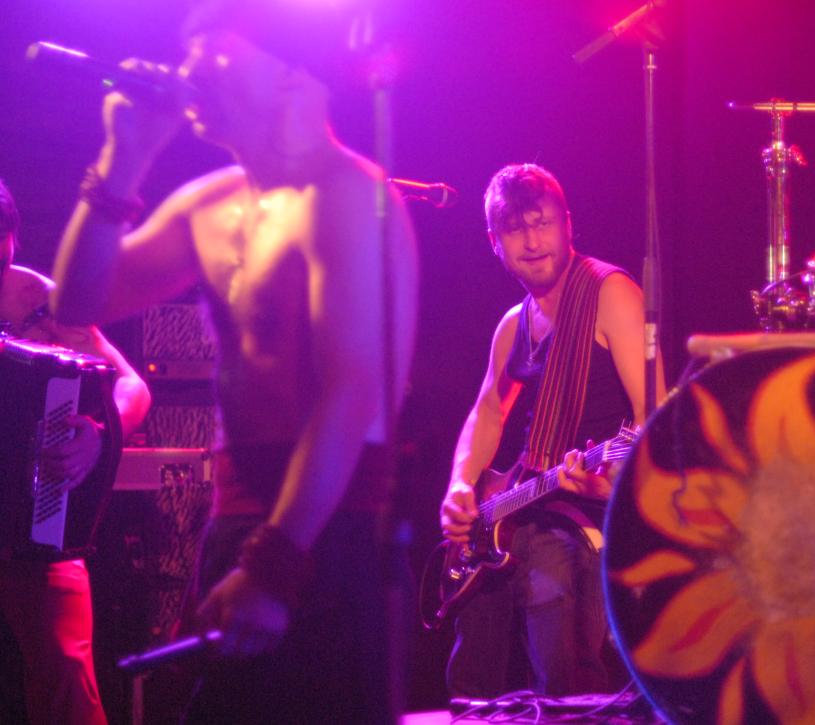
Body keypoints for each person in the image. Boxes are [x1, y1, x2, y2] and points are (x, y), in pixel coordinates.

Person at [49, 1, 419, 722]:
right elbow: (78, 298)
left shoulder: (348, 195)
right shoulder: (210, 204)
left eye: (213, 50)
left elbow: (352, 394)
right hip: (241, 529)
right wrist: (123, 159)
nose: (189, 70)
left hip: (330, 531)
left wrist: (274, 565)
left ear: (288, 71)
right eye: (187, 51)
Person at [439, 162, 663, 697]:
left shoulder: (610, 294)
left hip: (592, 516)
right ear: (495, 242)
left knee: (553, 595)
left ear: (568, 224)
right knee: (473, 673)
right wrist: (461, 485)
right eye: (516, 229)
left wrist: (611, 484)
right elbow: (487, 413)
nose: (533, 242)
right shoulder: (512, 325)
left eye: (542, 223)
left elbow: (655, 419)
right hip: (521, 506)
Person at [0, 178, 151, 724]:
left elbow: (131, 386)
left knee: (65, 670)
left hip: (35, 532)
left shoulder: (36, 299)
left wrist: (102, 431)